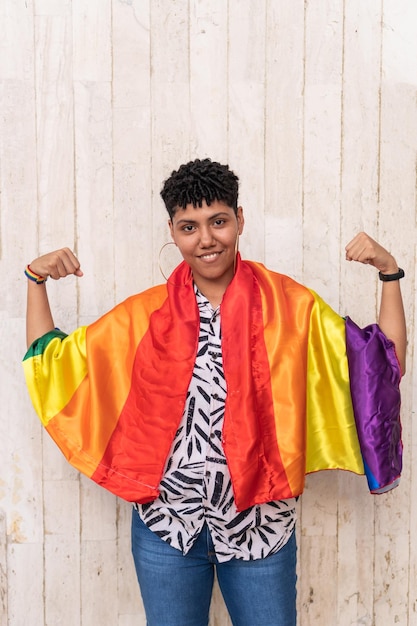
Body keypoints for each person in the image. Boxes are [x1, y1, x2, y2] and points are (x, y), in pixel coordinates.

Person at [23, 158, 406, 626]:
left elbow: (381, 366)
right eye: (189, 227)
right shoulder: (145, 316)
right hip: (168, 533)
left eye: (218, 221)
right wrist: (35, 282)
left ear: (239, 220)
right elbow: (54, 363)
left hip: (261, 533)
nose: (206, 239)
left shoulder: (290, 308)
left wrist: (390, 275)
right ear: (173, 230)